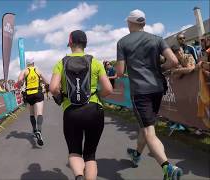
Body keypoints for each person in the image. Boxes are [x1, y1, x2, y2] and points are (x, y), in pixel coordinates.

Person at [116, 9, 183, 180]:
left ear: (130, 23)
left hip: (140, 90)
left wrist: (129, 71)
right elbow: (174, 61)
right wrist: (160, 68)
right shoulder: (157, 39)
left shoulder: (123, 42)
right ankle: (137, 154)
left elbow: (120, 71)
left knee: (149, 130)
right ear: (143, 23)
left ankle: (168, 168)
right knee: (145, 126)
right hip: (158, 88)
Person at [50, 30, 112, 180]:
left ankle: (78, 176)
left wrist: (61, 95)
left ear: (70, 43)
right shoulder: (95, 62)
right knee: (90, 155)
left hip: (71, 112)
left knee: (75, 151)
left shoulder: (61, 63)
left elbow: (53, 88)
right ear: (85, 44)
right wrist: (97, 96)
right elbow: (108, 89)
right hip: (94, 110)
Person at [18, 60, 49, 146]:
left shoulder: (24, 71)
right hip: (38, 93)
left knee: (32, 114)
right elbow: (47, 81)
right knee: (39, 113)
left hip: (29, 94)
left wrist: (22, 83)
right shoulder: (37, 70)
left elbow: (20, 80)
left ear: (27, 64)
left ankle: (34, 130)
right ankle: (39, 131)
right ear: (33, 63)